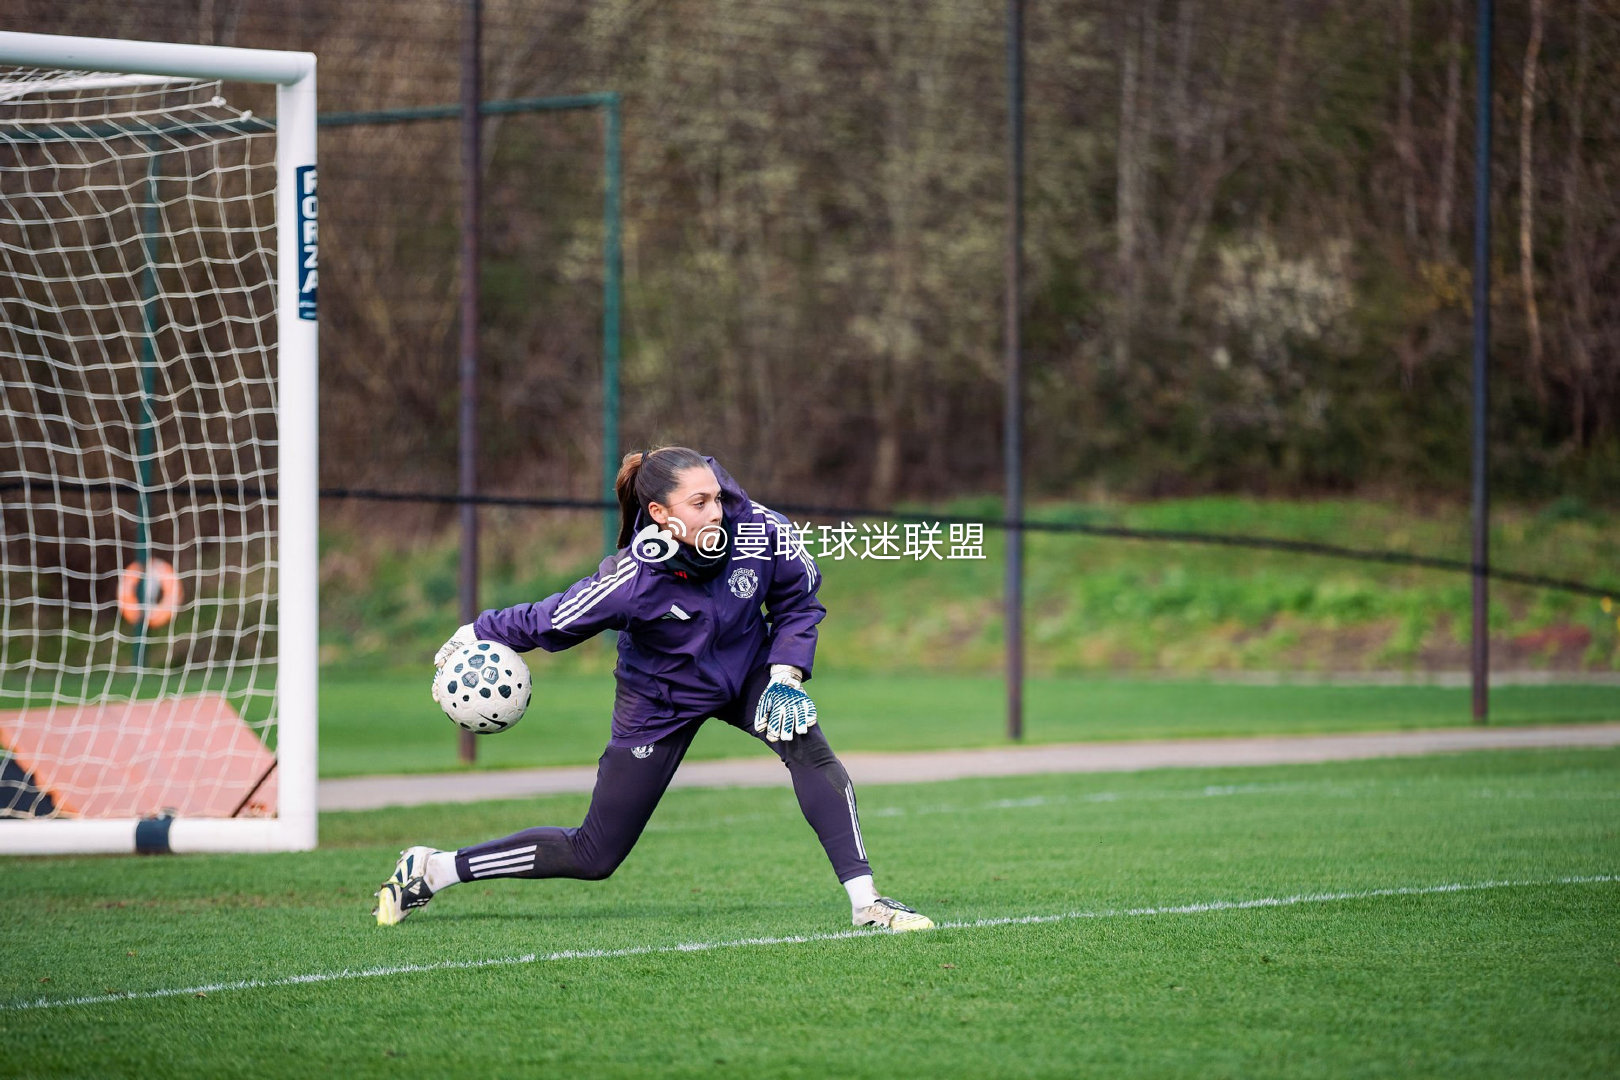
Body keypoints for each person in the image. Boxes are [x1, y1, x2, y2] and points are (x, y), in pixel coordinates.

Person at [373, 446, 933, 932]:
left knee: (807, 746)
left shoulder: (762, 530)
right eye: (699, 503)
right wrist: (476, 631)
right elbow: (552, 619)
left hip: (748, 671)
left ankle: (867, 903)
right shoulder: (633, 579)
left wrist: (786, 674)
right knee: (595, 854)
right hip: (659, 699)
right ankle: (435, 869)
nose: (716, 512)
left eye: (717, 498)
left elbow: (799, 602)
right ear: (661, 515)